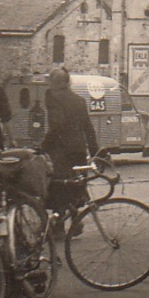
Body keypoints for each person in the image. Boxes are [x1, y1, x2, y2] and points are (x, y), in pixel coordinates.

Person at [40, 66, 99, 211]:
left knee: (59, 189)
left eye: (51, 82)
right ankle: (75, 220)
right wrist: (95, 152)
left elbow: (56, 126)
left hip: (62, 152)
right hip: (79, 150)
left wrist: (42, 147)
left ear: (57, 82)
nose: (49, 85)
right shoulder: (79, 100)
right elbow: (88, 127)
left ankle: (58, 228)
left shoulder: (53, 97)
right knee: (76, 187)